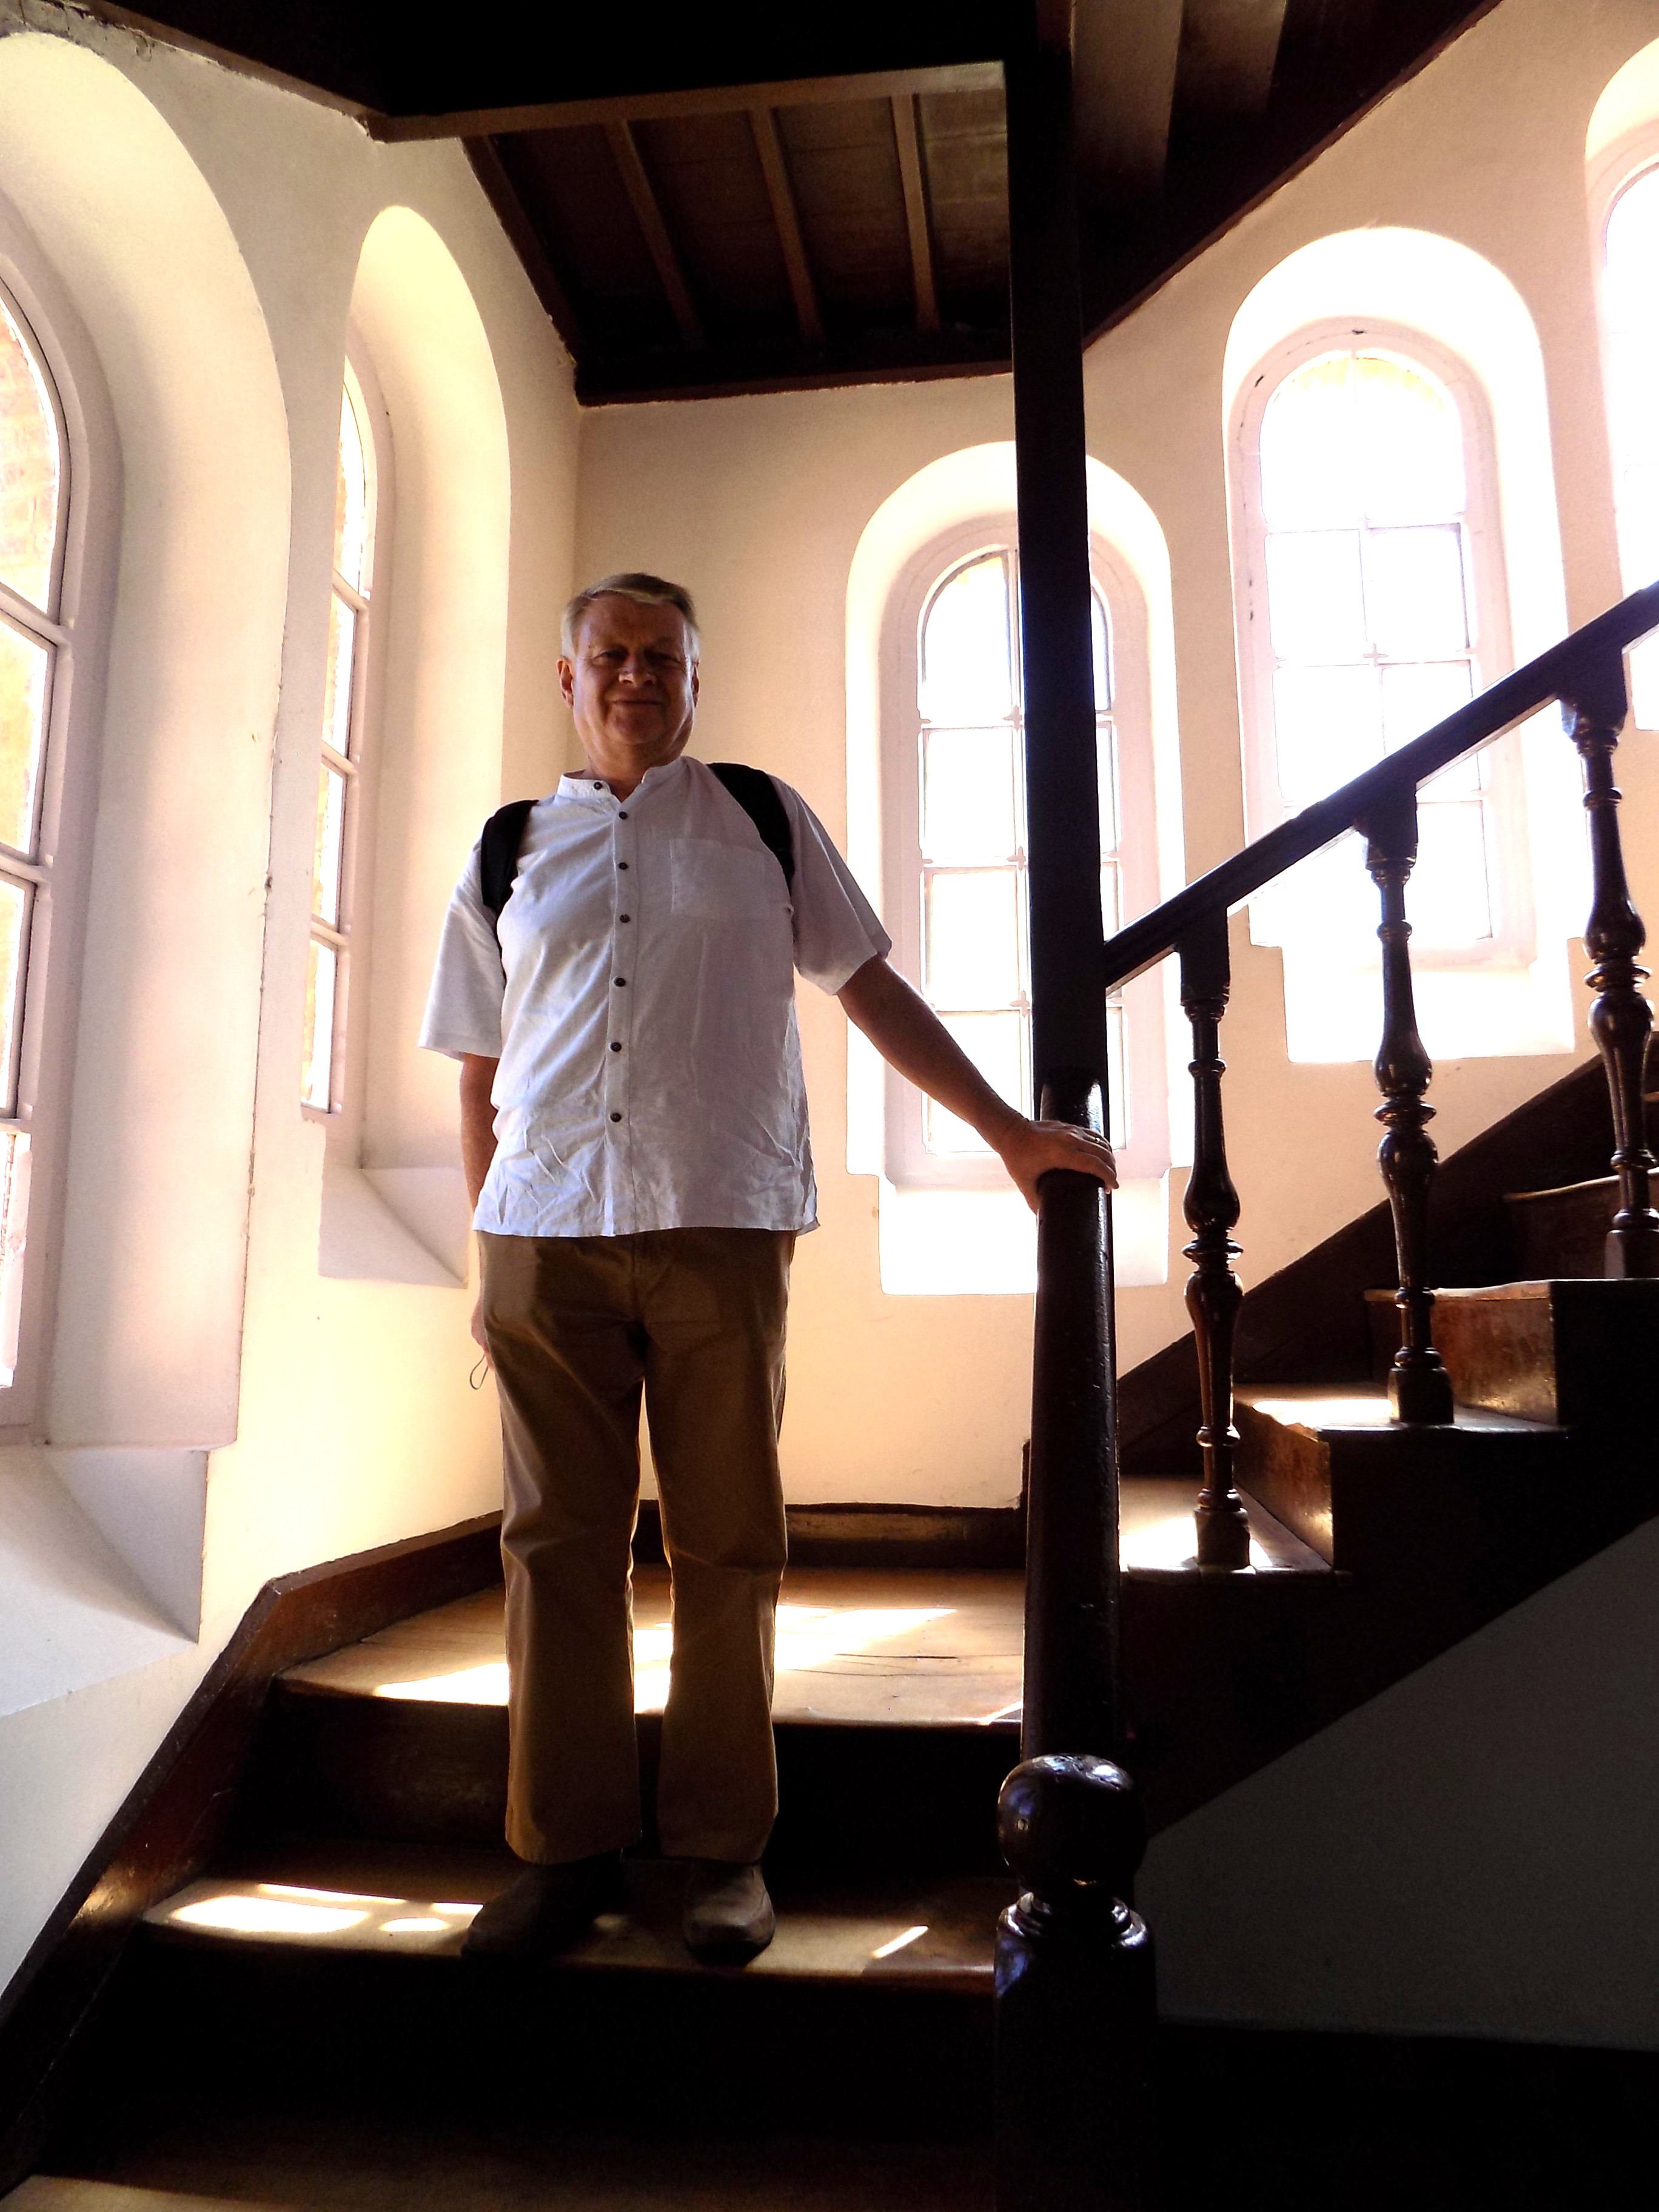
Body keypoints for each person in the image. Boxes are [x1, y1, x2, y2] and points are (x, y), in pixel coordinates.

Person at [420, 572, 1116, 1966]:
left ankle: (724, 1854)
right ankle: (564, 1851)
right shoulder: (511, 847)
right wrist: (479, 1253)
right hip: (540, 1234)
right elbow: (482, 1072)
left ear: (697, 677)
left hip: (720, 1223)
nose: (635, 676)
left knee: (728, 1545)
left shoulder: (758, 819)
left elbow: (868, 987)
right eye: (610, 655)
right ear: (568, 679)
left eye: (663, 656)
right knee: (556, 1548)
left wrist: (1005, 1135)